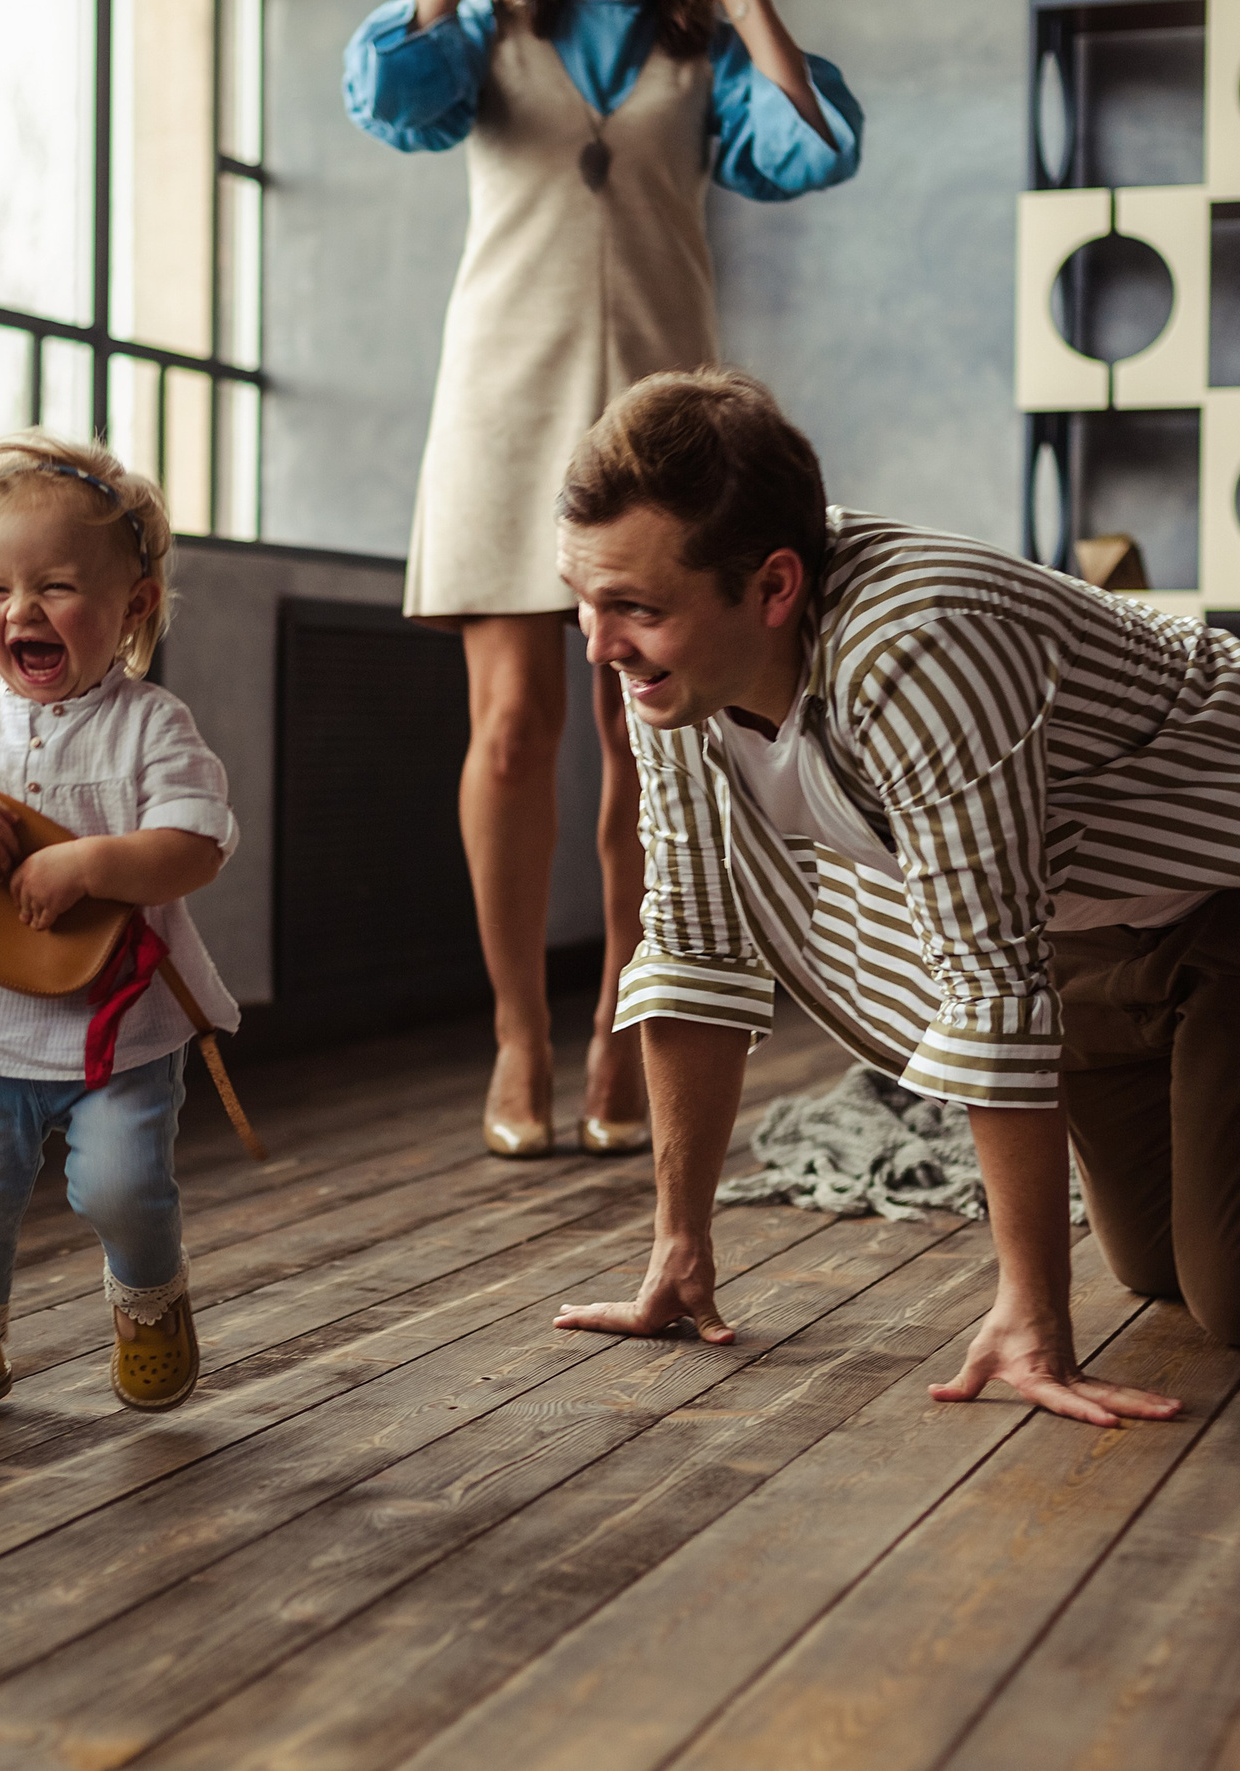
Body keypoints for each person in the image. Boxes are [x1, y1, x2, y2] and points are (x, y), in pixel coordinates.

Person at [548, 368, 1240, 1425]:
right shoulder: (681, 673)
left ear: (773, 586)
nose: (599, 644)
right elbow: (691, 946)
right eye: (584, 602)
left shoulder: (916, 648)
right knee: (1156, 1259)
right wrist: (680, 1245)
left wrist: (1033, 1317)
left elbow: (989, 986)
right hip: (1105, 916)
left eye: (633, 607)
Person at [344, 0, 863, 1159]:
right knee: (510, 731)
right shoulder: (483, 30)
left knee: (650, 748)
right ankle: (517, 1036)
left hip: (662, 431)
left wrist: (751, 11)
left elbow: (815, 146)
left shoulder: (702, 52)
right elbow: (394, 98)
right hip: (500, 408)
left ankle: (624, 1026)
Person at [0, 428, 242, 1424]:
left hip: (118, 1028)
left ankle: (148, 1304)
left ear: (133, 604)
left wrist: (92, 863)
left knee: (122, 1185)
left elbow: (197, 842)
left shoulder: (151, 725)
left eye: (56, 587)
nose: (21, 610)